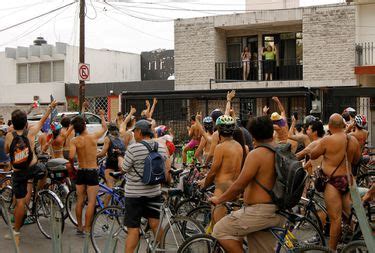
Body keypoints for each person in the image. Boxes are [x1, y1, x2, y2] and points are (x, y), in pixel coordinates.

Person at [209, 116, 284, 252]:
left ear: (253, 134)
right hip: (277, 210)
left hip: (259, 212)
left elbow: (239, 185)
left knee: (220, 230)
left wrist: (219, 200)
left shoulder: (257, 154)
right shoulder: (280, 150)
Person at [4, 100, 57, 244]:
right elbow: (43, 119)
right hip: (33, 169)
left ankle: (16, 230)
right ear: (26, 122)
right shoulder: (31, 132)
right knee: (43, 170)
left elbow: (7, 151)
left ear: (13, 124)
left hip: (19, 172)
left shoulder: (9, 136)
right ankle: (40, 191)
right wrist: (50, 107)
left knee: (20, 202)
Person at [306, 113, 361, 250]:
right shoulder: (353, 140)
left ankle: (332, 249)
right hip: (348, 180)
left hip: (332, 182)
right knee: (348, 217)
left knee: (335, 219)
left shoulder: (327, 140)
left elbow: (313, 155)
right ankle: (355, 244)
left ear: (329, 126)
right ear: (343, 125)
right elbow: (356, 160)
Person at [119, 120, 171, 253]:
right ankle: (160, 250)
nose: (134, 134)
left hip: (134, 195)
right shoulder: (160, 146)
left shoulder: (134, 148)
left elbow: (124, 169)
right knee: (155, 224)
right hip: (154, 192)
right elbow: (165, 165)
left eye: (135, 131)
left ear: (140, 132)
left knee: (133, 229)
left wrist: (120, 159)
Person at [199, 115, 243, 225]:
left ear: (219, 130)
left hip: (222, 189)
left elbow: (213, 171)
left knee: (217, 227)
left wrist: (204, 185)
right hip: (235, 189)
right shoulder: (239, 146)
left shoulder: (220, 147)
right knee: (234, 228)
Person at [69, 110, 107, 234]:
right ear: (85, 125)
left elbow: (71, 156)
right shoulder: (93, 137)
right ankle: (87, 227)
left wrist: (72, 164)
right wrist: (101, 115)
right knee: (91, 201)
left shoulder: (74, 141)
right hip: (92, 171)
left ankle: (79, 226)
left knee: (80, 200)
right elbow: (104, 127)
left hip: (81, 171)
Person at [97, 123, 125, 205]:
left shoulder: (108, 138)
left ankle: (106, 208)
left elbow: (103, 153)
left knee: (110, 187)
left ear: (109, 130)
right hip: (120, 163)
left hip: (111, 164)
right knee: (114, 186)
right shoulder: (121, 137)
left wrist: (95, 155)